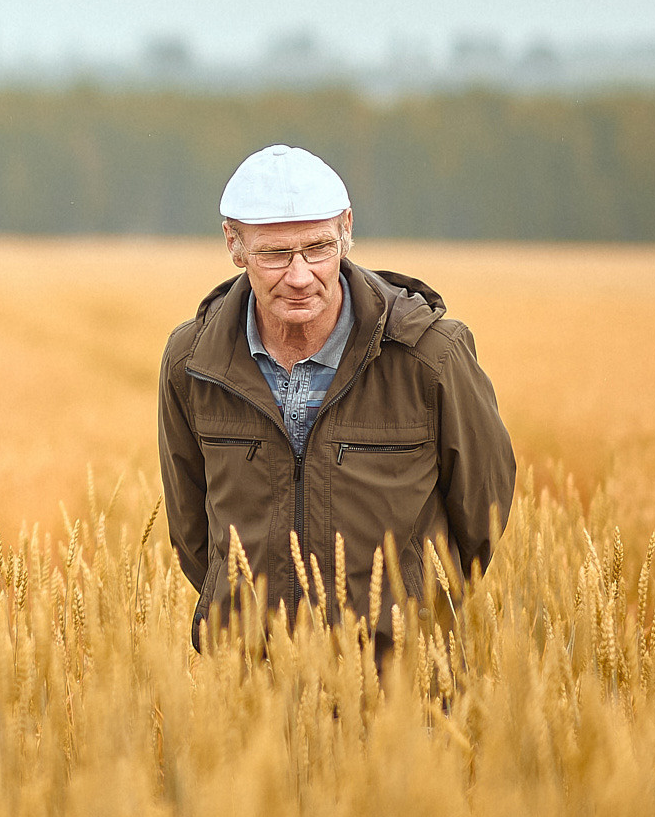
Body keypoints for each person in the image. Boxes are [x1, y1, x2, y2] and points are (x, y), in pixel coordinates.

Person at [155, 144, 515, 647]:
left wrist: (414, 622)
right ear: (234, 244)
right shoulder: (192, 361)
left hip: (400, 690)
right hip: (252, 693)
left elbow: (483, 513)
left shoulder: (429, 357)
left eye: (318, 248)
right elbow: (192, 528)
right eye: (275, 254)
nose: (300, 276)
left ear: (347, 229)